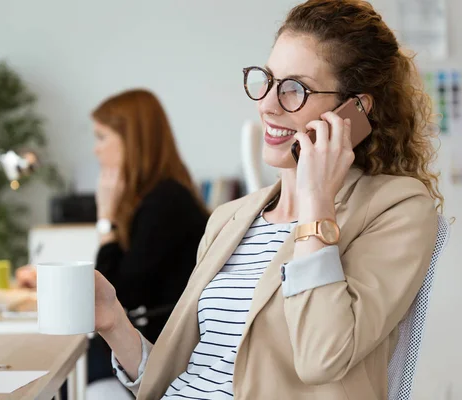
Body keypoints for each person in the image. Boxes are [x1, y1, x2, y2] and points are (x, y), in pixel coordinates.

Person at [91, 1, 443, 399]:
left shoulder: (397, 209)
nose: (267, 104)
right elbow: (194, 372)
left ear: (354, 111)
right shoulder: (230, 218)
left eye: (296, 89)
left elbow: (322, 357)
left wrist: (316, 202)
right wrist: (113, 322)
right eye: (268, 80)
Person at [17, 89, 209, 385]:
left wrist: (105, 219)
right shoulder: (155, 198)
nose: (96, 150)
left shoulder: (166, 202)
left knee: (48, 372)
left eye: (102, 137)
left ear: (132, 141)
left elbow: (116, 293)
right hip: (141, 336)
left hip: (154, 346)